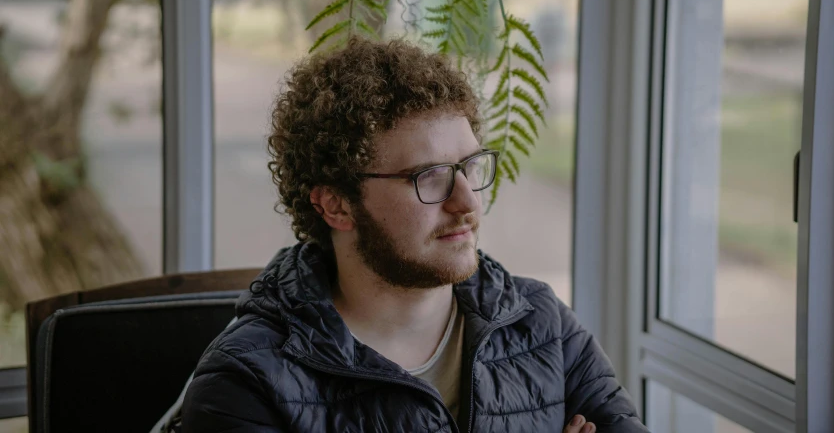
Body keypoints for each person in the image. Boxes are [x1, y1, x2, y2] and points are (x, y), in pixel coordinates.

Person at [182, 37, 649, 432]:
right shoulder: (246, 382)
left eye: (469, 167)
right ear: (336, 204)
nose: (467, 202)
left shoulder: (542, 325)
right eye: (428, 176)